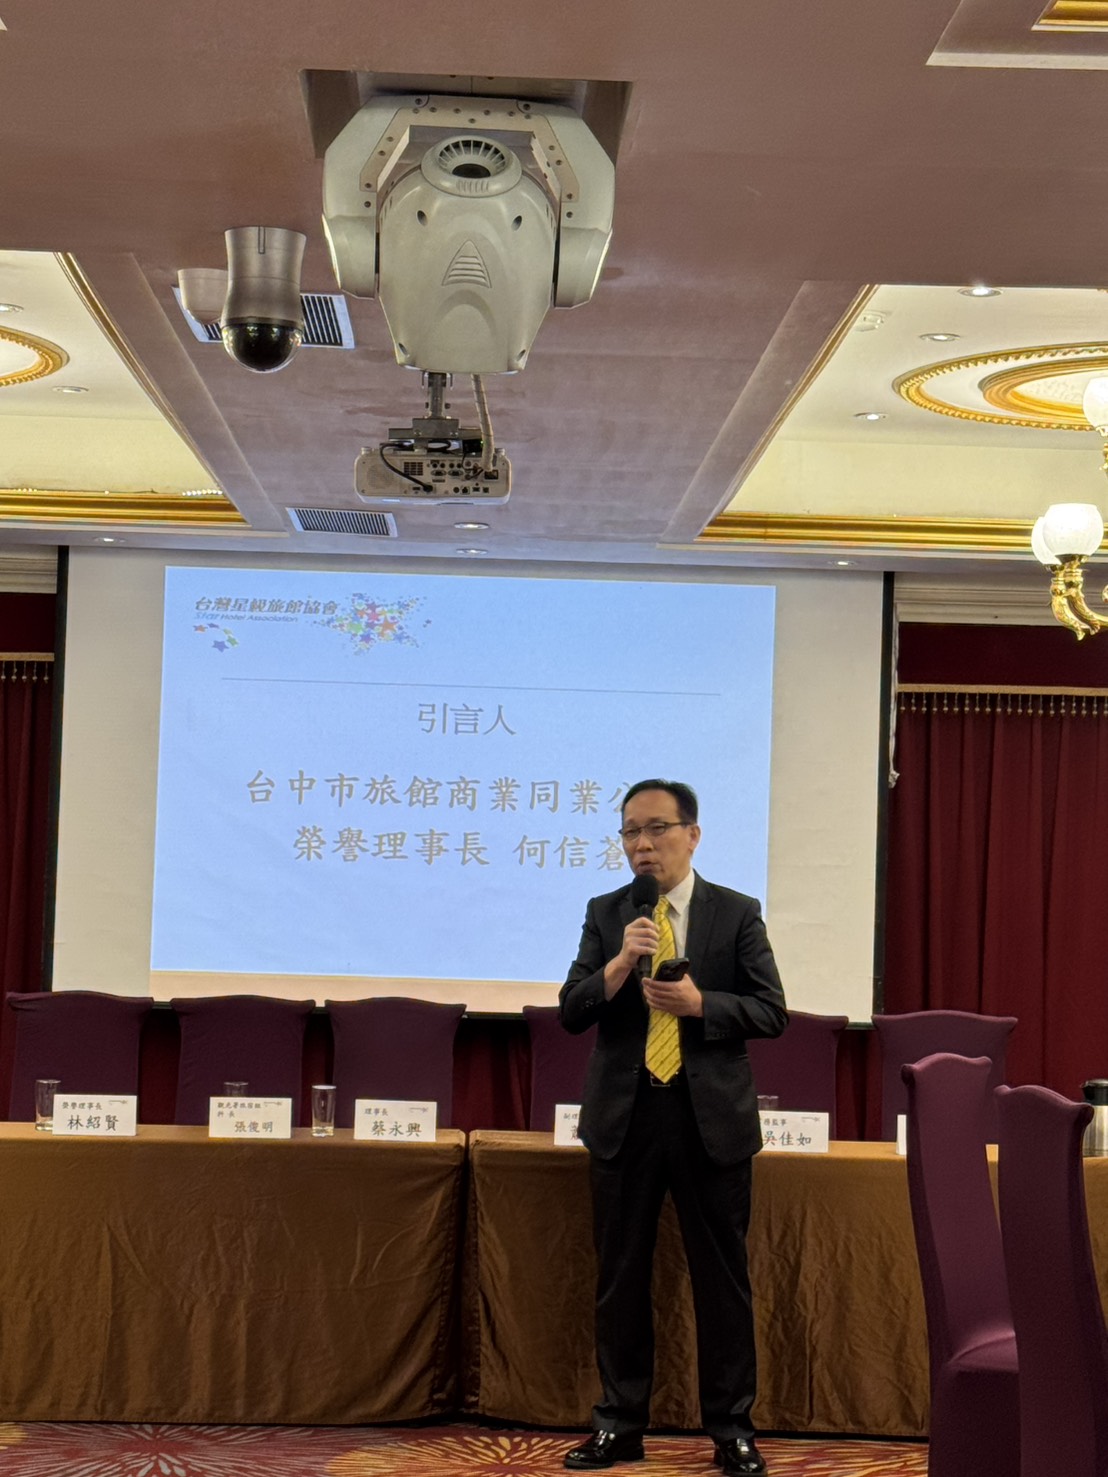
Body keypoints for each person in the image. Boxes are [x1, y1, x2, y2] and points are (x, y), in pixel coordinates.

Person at [559, 779, 787, 1477]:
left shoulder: (735, 913)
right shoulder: (607, 913)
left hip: (708, 1120)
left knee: (722, 1281)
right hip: (625, 1120)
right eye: (630, 831)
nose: (642, 844)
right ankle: (619, 1424)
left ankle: (732, 1430)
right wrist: (618, 966)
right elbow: (571, 1008)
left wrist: (700, 1004)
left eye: (656, 828)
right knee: (620, 1278)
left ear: (692, 834)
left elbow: (771, 1010)